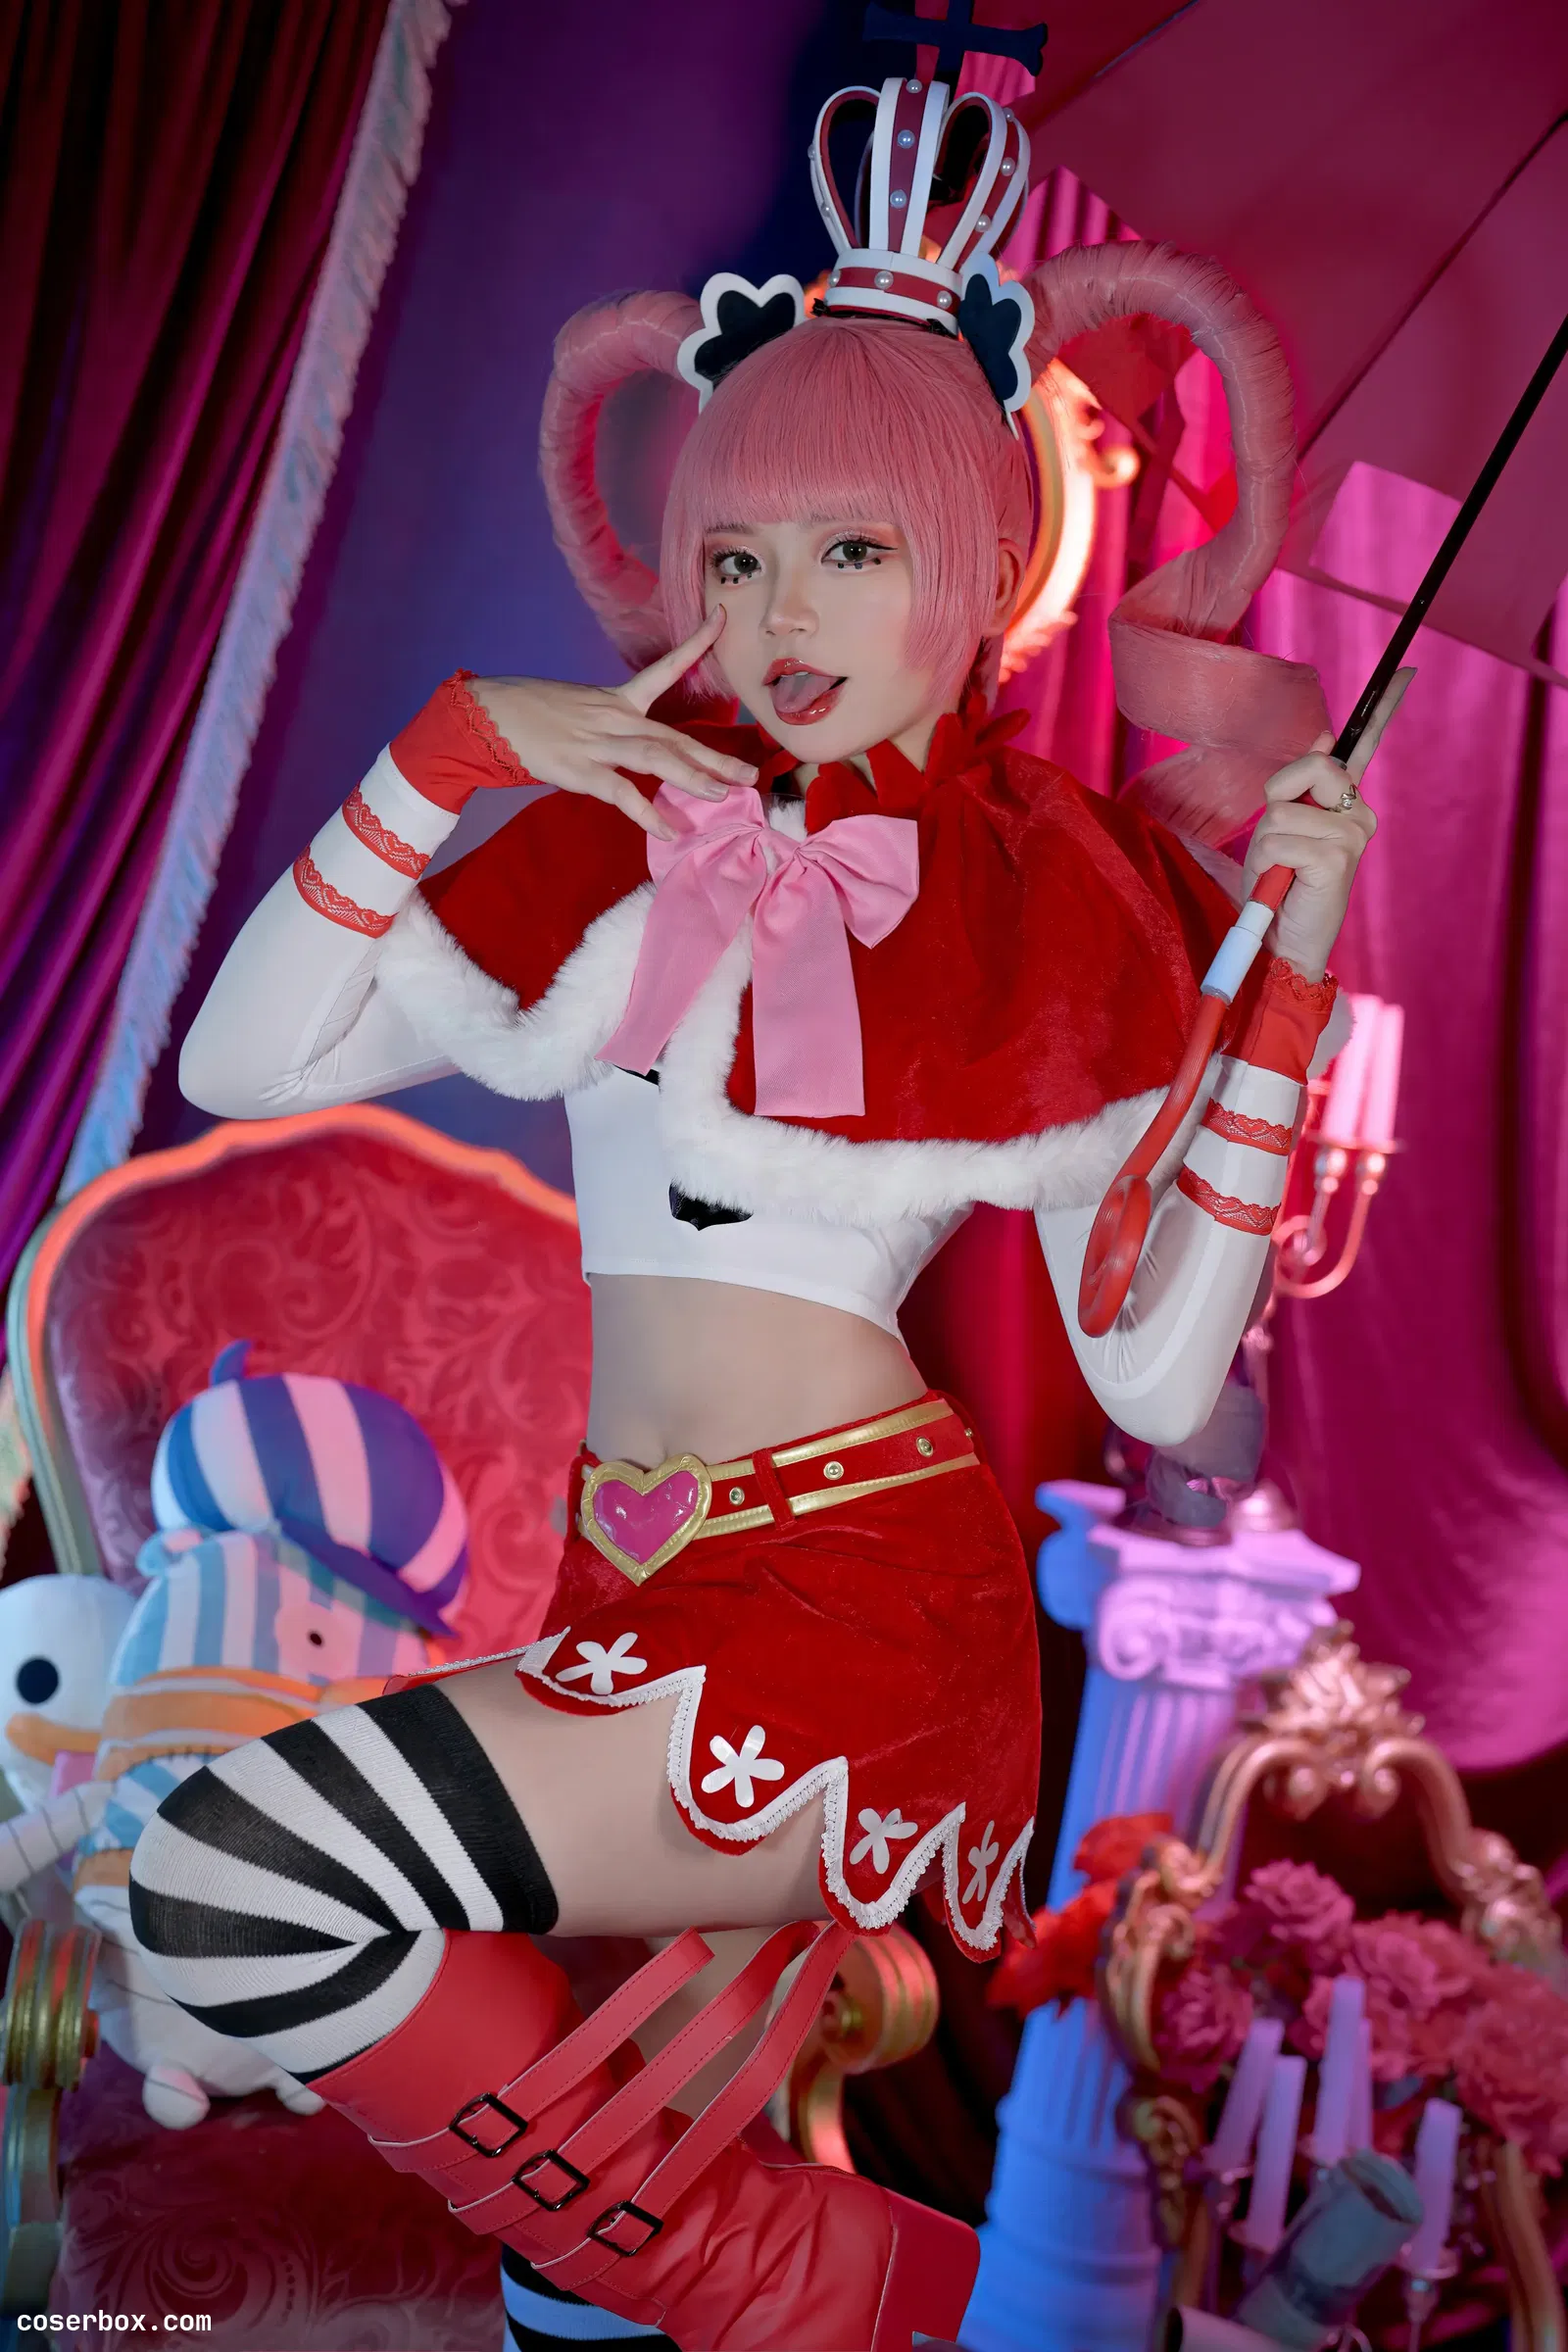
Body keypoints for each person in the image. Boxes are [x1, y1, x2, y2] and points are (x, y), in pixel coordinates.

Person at [127, 67, 1390, 2352]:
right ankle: (855, 2301)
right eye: (738, 553)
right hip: (629, 1565)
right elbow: (244, 1061)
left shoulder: (1054, 906)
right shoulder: (620, 831)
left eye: (852, 552)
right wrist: (450, 754)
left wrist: (1278, 991)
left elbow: (1155, 1382)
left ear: (975, 573)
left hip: (852, 1604)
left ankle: (904, 2301)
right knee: (567, 2263)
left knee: (241, 1875)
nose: (779, 610)